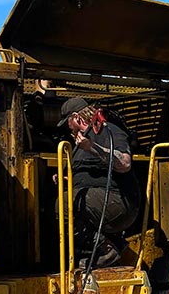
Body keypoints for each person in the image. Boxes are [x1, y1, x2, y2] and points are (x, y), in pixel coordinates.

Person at [57, 97, 140, 267]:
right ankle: (101, 249)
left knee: (64, 203)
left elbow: (124, 163)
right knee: (58, 202)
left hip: (120, 201)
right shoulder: (78, 145)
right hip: (99, 201)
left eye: (68, 122)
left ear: (76, 117)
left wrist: (92, 147)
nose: (68, 127)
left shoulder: (108, 132)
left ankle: (107, 249)